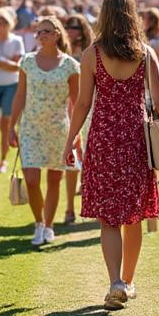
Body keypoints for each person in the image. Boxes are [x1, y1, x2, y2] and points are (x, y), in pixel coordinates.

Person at [64, 0, 159, 310]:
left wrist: (71, 139)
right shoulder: (145, 53)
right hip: (135, 139)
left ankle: (115, 281)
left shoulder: (92, 54)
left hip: (104, 137)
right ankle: (127, 281)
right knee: (134, 214)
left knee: (109, 219)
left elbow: (83, 103)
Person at [10, 16, 81, 246]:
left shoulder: (70, 65)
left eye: (47, 32)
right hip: (30, 128)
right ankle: (38, 222)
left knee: (54, 179)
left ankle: (49, 225)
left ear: (57, 34)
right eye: (39, 32)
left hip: (58, 129)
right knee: (31, 179)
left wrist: (76, 133)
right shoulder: (27, 61)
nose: (42, 36)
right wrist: (12, 126)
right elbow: (20, 95)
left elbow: (76, 102)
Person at [63, 13, 95, 223]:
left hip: (88, 104)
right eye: (67, 26)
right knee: (71, 156)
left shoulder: (90, 52)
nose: (70, 30)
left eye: (74, 27)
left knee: (90, 155)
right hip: (66, 104)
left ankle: (91, 200)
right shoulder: (63, 51)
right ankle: (69, 207)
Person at [0, 9, 24, 174]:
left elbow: (17, 66)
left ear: (9, 24)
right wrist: (1, 63)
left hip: (11, 85)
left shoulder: (16, 40)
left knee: (6, 126)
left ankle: (2, 161)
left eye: (2, 22)